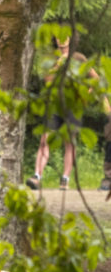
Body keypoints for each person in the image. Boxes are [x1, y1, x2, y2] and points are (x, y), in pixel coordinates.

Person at [26, 33, 111, 191]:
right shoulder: (51, 58)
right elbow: (48, 82)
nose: (61, 39)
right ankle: (37, 176)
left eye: (65, 36)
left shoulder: (78, 57)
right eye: (59, 36)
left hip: (73, 106)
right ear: (55, 39)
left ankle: (65, 179)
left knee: (69, 142)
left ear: (70, 39)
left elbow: (96, 78)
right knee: (45, 139)